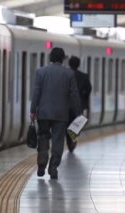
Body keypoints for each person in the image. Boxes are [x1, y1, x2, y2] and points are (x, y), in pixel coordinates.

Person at [30, 47, 81, 179]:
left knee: (43, 137)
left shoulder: (41, 72)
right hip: (61, 114)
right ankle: (53, 167)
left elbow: (36, 93)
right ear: (62, 59)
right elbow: (74, 95)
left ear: (50, 58)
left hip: (44, 113)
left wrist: (32, 110)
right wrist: (78, 113)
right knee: (58, 141)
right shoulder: (69, 74)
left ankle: (41, 164)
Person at [65, 56, 92, 152]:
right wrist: (84, 99)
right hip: (78, 105)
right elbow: (88, 89)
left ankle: (70, 141)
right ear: (78, 65)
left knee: (67, 123)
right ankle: (72, 141)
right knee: (76, 124)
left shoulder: (65, 74)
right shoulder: (84, 76)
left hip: (66, 105)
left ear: (69, 64)